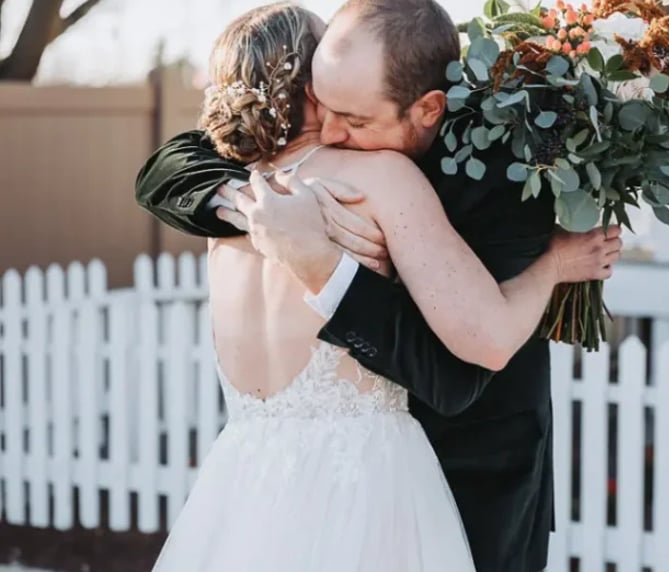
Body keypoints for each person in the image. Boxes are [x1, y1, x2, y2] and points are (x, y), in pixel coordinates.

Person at [137, 1, 622, 570]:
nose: (338, 129)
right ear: (311, 85)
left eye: (356, 116)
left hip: (252, 485)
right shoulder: (367, 180)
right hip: (372, 483)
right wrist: (557, 265)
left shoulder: (239, 207)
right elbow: (487, 340)